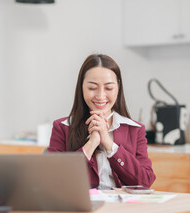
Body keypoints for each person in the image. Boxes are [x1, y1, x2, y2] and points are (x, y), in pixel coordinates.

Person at [48, 54, 156, 189]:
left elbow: (145, 181)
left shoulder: (134, 129)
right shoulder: (62, 127)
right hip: (83, 208)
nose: (100, 96)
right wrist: (91, 143)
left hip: (122, 208)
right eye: (92, 88)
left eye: (108, 88)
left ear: (118, 88)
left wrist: (109, 144)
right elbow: (53, 180)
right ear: (81, 87)